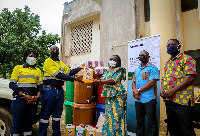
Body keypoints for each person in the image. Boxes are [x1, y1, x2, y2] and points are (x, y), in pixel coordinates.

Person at [39, 45, 84, 136]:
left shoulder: (60, 63)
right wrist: (74, 79)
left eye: (57, 49)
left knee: (57, 116)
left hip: (59, 91)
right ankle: (42, 134)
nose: (55, 51)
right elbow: (59, 75)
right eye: (53, 49)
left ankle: (56, 133)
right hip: (49, 90)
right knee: (45, 115)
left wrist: (79, 68)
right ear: (49, 51)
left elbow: (69, 72)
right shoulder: (48, 62)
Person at [160, 39, 197, 136]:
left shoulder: (187, 59)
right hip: (169, 101)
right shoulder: (168, 62)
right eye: (168, 45)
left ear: (179, 46)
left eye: (173, 44)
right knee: (173, 129)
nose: (170, 46)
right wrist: (161, 89)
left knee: (186, 130)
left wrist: (173, 90)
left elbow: (190, 77)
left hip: (183, 101)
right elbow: (163, 79)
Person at [9, 49, 42, 136]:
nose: (33, 58)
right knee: (17, 124)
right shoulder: (18, 68)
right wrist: (23, 95)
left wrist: (37, 97)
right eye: (30, 56)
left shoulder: (38, 71)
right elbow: (12, 84)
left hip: (33, 101)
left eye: (34, 57)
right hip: (20, 100)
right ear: (25, 57)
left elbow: (40, 87)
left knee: (28, 125)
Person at [93, 55, 127, 136]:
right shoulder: (107, 71)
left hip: (117, 96)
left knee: (116, 116)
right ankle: (109, 134)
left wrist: (100, 82)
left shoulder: (119, 70)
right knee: (109, 116)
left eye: (114, 59)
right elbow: (100, 80)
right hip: (108, 96)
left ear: (118, 62)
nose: (112, 61)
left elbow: (112, 80)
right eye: (111, 59)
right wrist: (92, 74)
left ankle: (118, 134)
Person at [132, 50, 159, 136]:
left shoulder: (152, 68)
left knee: (151, 122)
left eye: (144, 55)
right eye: (140, 55)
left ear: (148, 57)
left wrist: (138, 90)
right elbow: (133, 81)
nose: (142, 56)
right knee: (139, 121)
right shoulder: (137, 69)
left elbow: (152, 82)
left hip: (149, 99)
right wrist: (135, 91)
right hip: (138, 100)